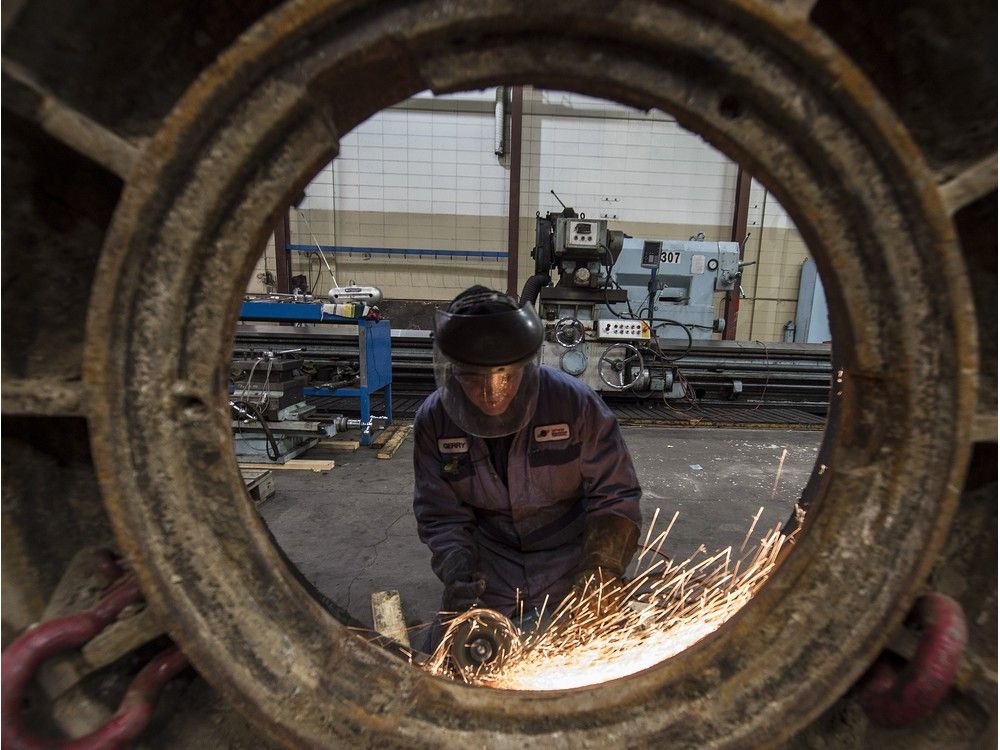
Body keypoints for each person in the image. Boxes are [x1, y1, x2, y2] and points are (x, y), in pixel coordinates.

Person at [412, 286, 642, 646]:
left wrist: (601, 570)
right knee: (449, 657)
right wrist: (457, 565)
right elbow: (441, 514)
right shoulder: (434, 421)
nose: (491, 394)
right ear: (453, 370)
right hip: (491, 566)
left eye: (506, 376)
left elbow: (615, 496)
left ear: (525, 364)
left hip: (572, 558)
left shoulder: (574, 404)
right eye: (473, 379)